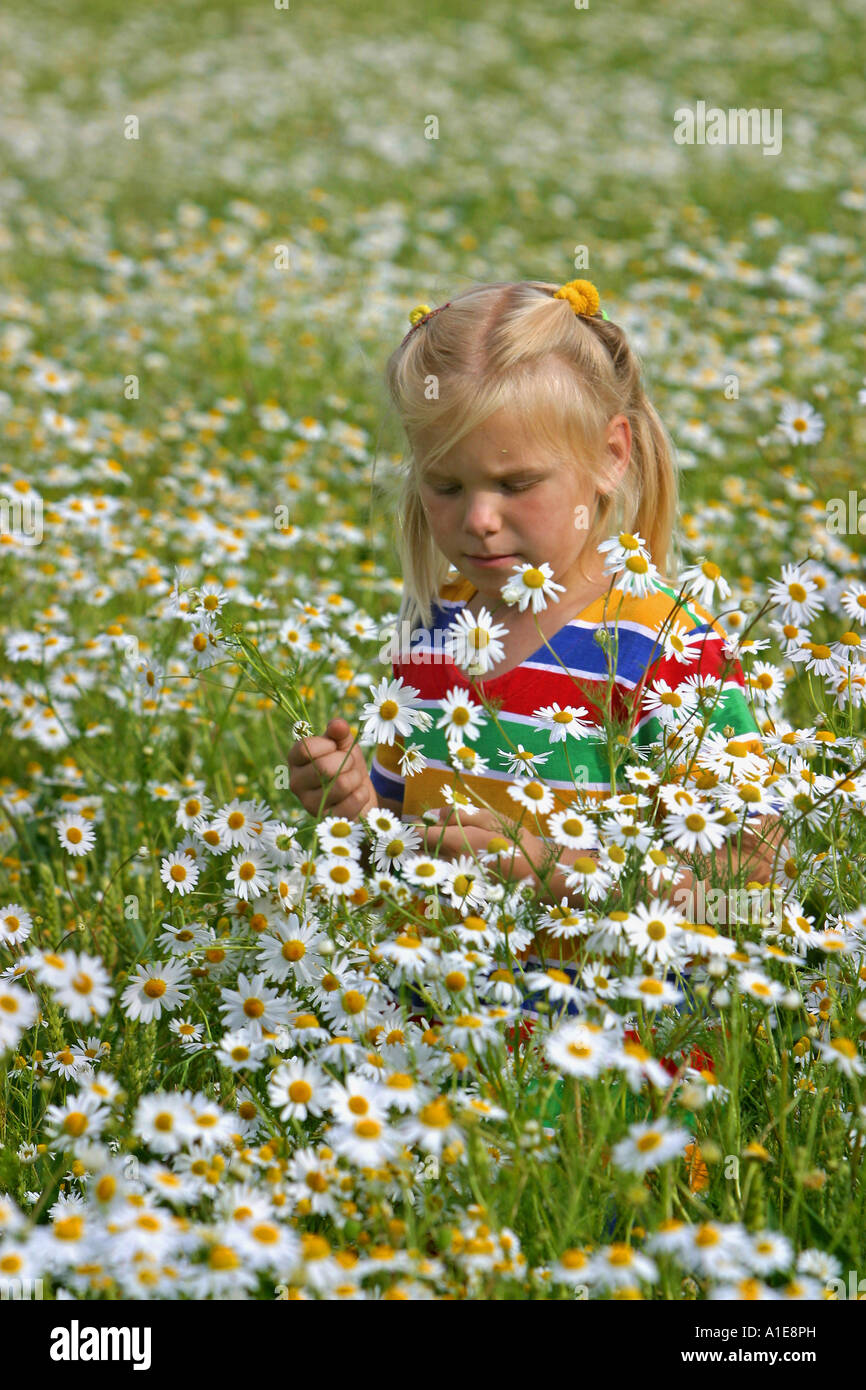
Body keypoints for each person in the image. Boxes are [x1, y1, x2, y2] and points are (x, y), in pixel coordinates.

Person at [287, 279, 786, 923]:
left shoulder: (665, 648)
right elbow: (403, 851)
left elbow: (754, 889)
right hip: (434, 1014)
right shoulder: (431, 629)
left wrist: (558, 873)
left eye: (516, 482)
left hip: (614, 1016)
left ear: (610, 457)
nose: (480, 519)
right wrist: (356, 813)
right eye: (444, 484)